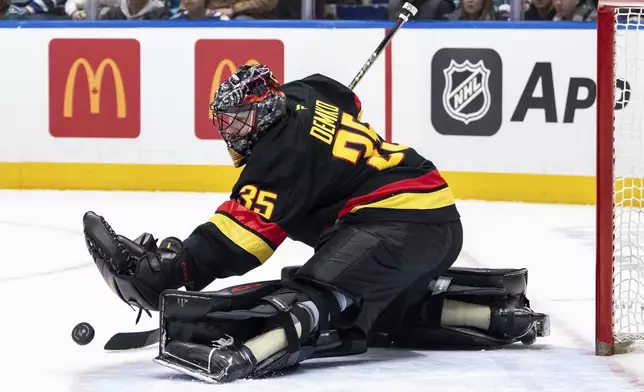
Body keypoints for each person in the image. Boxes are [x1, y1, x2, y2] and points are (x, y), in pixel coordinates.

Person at [83, 65, 548, 383]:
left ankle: (257, 345)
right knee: (368, 305)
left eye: (239, 120)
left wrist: (171, 272)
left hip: (397, 226)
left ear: (265, 108)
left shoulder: (280, 155)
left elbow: (240, 242)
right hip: (433, 217)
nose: (231, 131)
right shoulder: (303, 94)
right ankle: (492, 315)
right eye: (225, 121)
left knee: (313, 293)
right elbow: (345, 96)